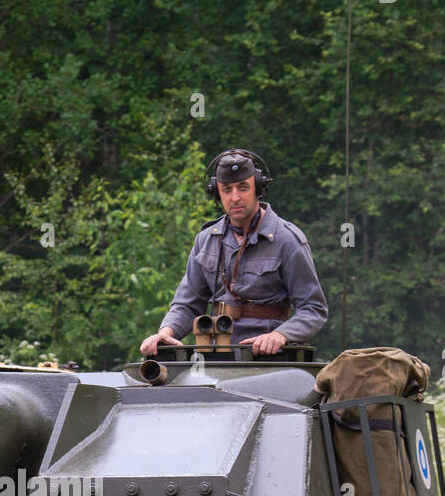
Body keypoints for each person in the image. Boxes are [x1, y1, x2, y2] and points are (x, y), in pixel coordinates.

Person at [139, 149, 328, 357]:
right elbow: (187, 304)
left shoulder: (286, 240)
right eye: (227, 189)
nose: (235, 197)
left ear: (258, 188)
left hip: (267, 361)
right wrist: (165, 332)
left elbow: (313, 309)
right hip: (214, 356)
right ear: (216, 192)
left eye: (243, 187)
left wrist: (280, 335)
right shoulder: (207, 240)